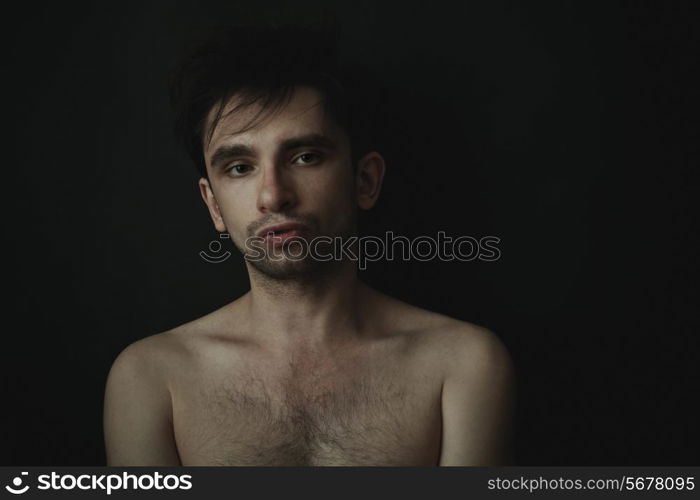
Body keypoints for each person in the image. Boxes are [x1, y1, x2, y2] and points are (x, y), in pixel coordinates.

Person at [103, 23, 515, 466]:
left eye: (305, 157)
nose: (273, 195)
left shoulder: (462, 367)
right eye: (240, 167)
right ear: (214, 205)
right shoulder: (152, 379)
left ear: (365, 180)